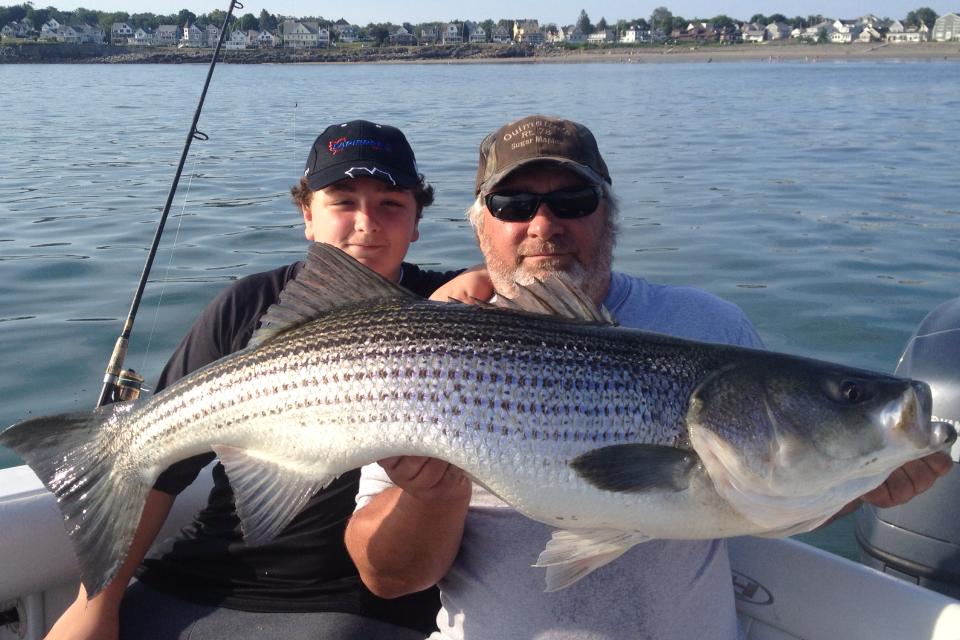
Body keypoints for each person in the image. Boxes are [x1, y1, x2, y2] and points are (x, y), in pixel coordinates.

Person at [344, 114, 954, 640]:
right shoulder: (428, 350)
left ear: (609, 216)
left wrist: (859, 484)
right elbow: (387, 577)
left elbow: (770, 490)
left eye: (574, 201)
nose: (544, 224)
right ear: (481, 226)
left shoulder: (711, 325)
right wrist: (432, 496)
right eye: (514, 205)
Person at [46, 120, 460, 640]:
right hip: (203, 575)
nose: (366, 223)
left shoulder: (461, 308)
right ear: (307, 215)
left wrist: (478, 284)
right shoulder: (247, 304)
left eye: (391, 204)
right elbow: (159, 470)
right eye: (342, 201)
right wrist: (95, 605)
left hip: (356, 598)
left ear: (417, 221)